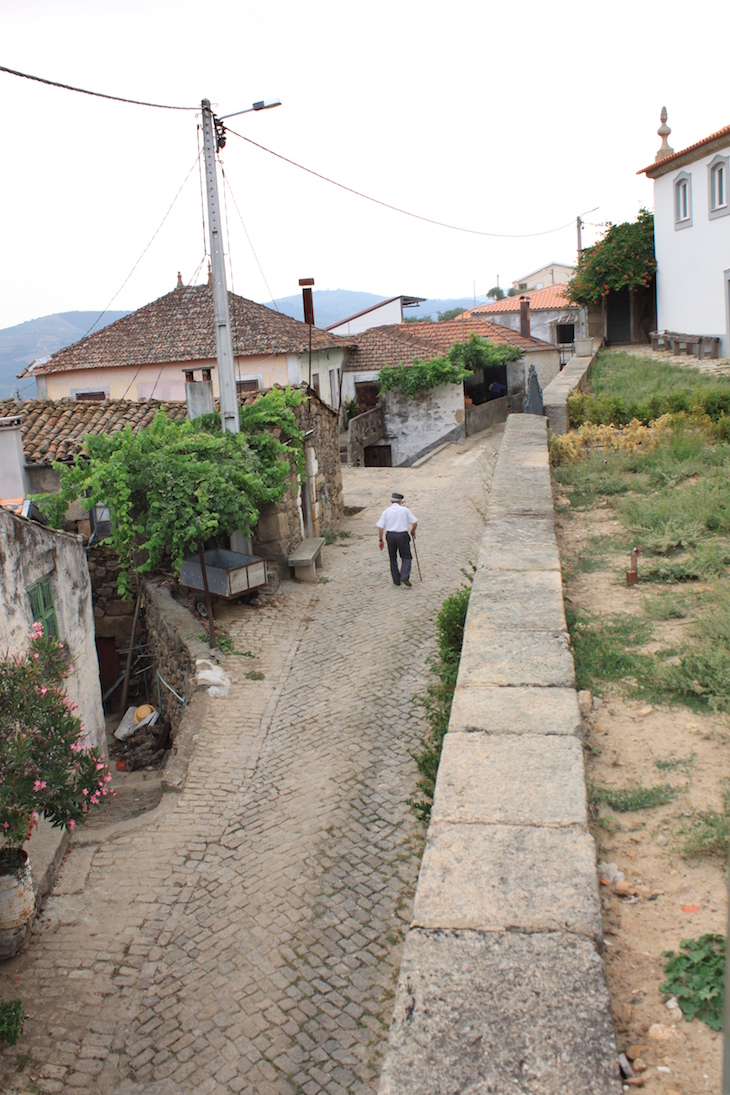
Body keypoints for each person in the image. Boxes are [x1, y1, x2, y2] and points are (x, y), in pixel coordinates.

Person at [376, 492, 418, 587]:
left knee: (392, 557)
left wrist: (380, 540)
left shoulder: (386, 511)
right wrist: (412, 531)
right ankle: (404, 575)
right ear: (400, 501)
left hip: (390, 536)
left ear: (391, 501)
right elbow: (415, 522)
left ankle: (396, 580)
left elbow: (381, 528)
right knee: (406, 557)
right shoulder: (405, 510)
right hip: (402, 536)